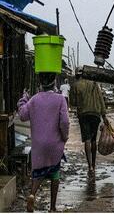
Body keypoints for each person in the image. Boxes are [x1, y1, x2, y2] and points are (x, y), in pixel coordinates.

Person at [17, 73, 69, 212]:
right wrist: (65, 137)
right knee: (55, 173)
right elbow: (64, 122)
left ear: (40, 83)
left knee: (38, 173)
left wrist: (24, 99)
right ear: (54, 83)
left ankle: (32, 195)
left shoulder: (34, 100)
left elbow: (22, 115)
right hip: (55, 144)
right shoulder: (60, 100)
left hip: (38, 145)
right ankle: (52, 207)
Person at [70, 67, 109, 176]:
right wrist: (104, 115)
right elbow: (101, 99)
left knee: (87, 139)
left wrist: (80, 101)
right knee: (93, 139)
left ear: (77, 75)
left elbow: (73, 102)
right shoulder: (94, 84)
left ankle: (90, 167)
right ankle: (94, 165)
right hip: (95, 114)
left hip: (83, 114)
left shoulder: (76, 85)